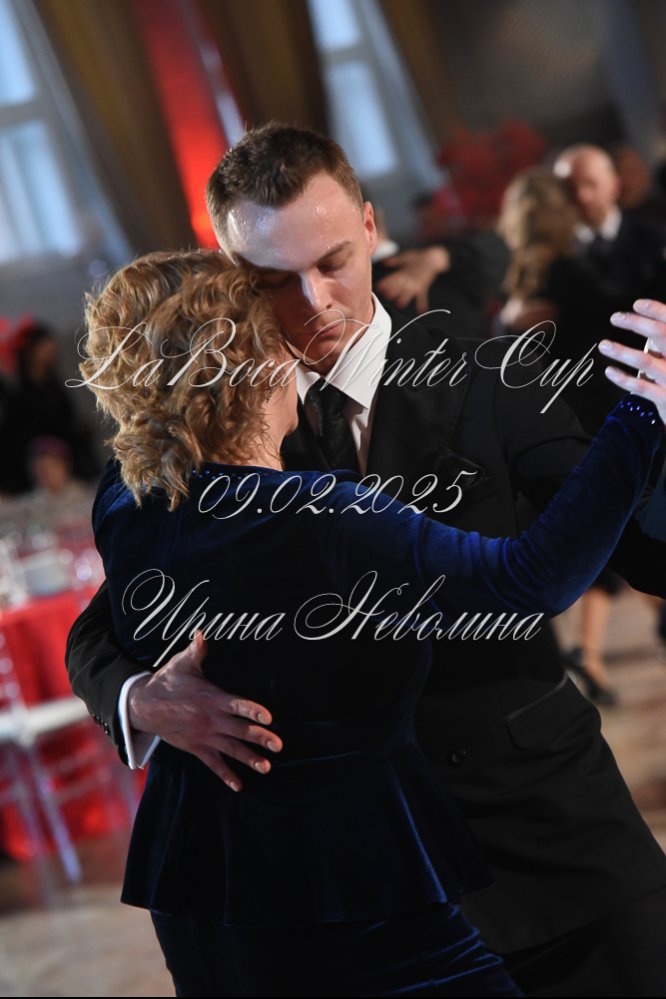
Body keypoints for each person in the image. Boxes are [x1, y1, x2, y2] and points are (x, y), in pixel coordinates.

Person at [66, 124, 666, 997]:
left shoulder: (494, 379)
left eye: (334, 261)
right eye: (275, 280)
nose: (315, 301)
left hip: (551, 848)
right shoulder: (208, 430)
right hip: (354, 900)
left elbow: (645, 548)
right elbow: (106, 619)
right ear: (231, 273)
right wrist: (140, 697)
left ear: (372, 228)